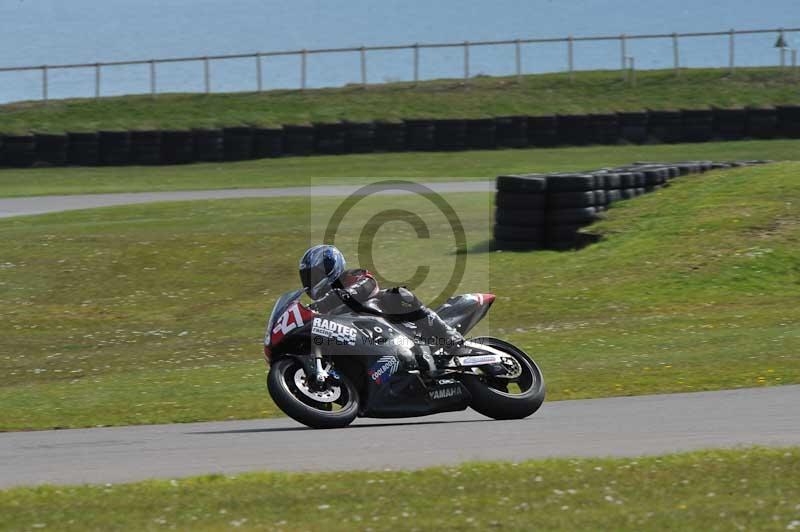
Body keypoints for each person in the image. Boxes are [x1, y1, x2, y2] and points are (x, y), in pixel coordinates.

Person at [298, 244, 464, 366]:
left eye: (314, 274)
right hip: (365, 343)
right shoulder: (319, 306)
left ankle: (447, 335)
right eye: (307, 277)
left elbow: (365, 286)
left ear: (330, 268)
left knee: (397, 294)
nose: (310, 281)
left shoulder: (353, 276)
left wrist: (327, 301)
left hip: (391, 324)